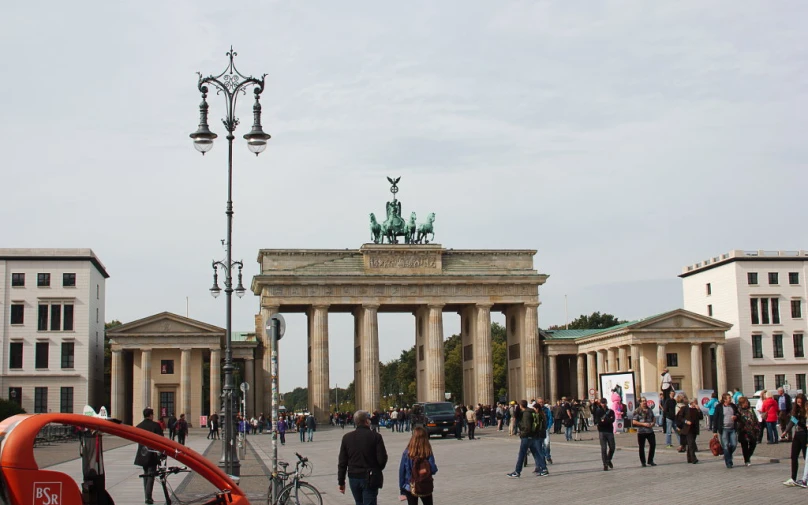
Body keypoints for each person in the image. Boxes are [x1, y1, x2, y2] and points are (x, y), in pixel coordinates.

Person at [338, 410, 389, 505]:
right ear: (366, 421)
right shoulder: (376, 436)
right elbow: (382, 459)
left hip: (353, 477)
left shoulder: (347, 437)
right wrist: (376, 469)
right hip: (370, 477)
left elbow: (342, 462)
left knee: (359, 502)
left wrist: (341, 482)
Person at [505, 400, 546, 478]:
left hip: (527, 437)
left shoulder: (526, 414)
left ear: (521, 406)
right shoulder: (531, 412)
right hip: (533, 436)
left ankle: (517, 472)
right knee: (536, 453)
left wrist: (522, 434)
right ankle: (544, 469)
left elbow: (527, 427)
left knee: (522, 454)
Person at [398, 427, 438, 505]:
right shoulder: (427, 452)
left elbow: (402, 471)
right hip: (425, 484)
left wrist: (402, 489)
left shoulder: (407, 452)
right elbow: (433, 469)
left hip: (410, 485)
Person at [133, 408, 165, 505]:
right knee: (151, 475)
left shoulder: (139, 426)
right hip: (152, 453)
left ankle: (147, 496)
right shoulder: (155, 426)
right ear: (151, 415)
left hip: (142, 453)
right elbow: (161, 440)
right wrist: (162, 453)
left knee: (146, 474)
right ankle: (148, 497)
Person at [780, 393, 807, 487]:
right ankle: (793, 478)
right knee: (794, 456)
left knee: (805, 457)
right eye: (797, 402)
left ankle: (805, 479)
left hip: (805, 434)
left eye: (800, 402)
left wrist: (799, 420)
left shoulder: (806, 409)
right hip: (797, 434)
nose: (799, 403)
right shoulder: (795, 410)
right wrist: (785, 431)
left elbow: (803, 423)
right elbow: (792, 421)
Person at [712, 393, 738, 468]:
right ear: (725, 399)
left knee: (734, 444)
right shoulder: (719, 407)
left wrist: (735, 416)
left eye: (730, 398)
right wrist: (714, 431)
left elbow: (737, 414)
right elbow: (715, 419)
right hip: (723, 429)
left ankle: (728, 454)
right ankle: (728, 462)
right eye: (729, 398)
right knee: (725, 446)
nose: (730, 399)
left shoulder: (733, 406)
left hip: (732, 428)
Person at [676, 397, 703, 464]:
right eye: (695, 402)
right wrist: (685, 421)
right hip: (687, 429)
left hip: (694, 428)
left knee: (691, 443)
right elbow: (679, 418)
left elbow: (701, 417)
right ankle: (694, 459)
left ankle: (689, 458)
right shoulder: (684, 408)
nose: (696, 404)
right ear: (692, 403)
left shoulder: (696, 409)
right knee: (691, 444)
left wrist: (699, 410)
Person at [592, 398, 615, 471]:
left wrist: (605, 420)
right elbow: (598, 421)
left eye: (604, 402)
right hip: (602, 431)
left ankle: (608, 459)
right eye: (602, 403)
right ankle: (605, 464)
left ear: (606, 403)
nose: (603, 404)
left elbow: (612, 420)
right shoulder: (598, 411)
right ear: (600, 403)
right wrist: (607, 420)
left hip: (610, 431)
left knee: (612, 447)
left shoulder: (611, 411)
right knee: (604, 448)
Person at [736, 396, 760, 467]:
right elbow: (737, 419)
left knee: (753, 444)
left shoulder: (751, 409)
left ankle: (748, 455)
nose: (746, 403)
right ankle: (747, 460)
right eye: (745, 402)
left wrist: (757, 426)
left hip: (752, 430)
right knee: (744, 446)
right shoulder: (738, 410)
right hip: (743, 430)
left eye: (747, 402)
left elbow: (755, 418)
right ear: (741, 403)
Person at [632, 397, 656, 467]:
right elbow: (634, 421)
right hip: (641, 431)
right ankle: (643, 462)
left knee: (653, 444)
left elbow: (653, 418)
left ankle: (650, 460)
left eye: (645, 401)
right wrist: (643, 424)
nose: (644, 402)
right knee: (641, 447)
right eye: (642, 401)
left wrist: (653, 423)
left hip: (650, 431)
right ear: (640, 402)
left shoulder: (650, 410)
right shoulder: (637, 410)